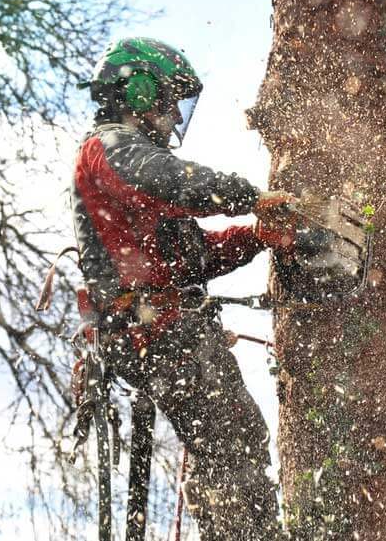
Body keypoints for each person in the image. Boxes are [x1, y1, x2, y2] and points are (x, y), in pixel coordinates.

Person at [70, 37, 291, 540]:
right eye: (170, 103)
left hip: (162, 327)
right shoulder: (110, 147)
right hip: (151, 331)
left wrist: (255, 234)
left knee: (234, 436)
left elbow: (193, 258)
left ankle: (243, 531)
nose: (174, 118)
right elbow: (168, 180)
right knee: (231, 437)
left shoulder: (135, 171)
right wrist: (248, 197)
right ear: (141, 90)